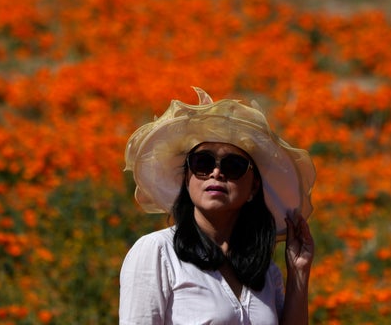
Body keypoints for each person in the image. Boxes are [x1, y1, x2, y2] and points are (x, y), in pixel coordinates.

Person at [120, 87, 316, 325]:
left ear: (254, 187)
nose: (216, 173)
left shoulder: (265, 272)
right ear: (186, 177)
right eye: (202, 162)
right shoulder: (157, 252)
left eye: (233, 166)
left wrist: (299, 273)